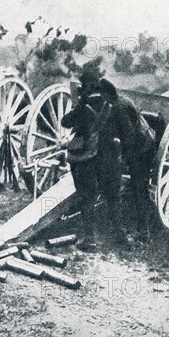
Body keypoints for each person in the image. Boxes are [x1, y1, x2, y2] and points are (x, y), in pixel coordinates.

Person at [61, 70, 134, 250]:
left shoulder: (83, 106)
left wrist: (80, 103)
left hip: (87, 160)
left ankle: (90, 240)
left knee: (87, 198)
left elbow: (65, 122)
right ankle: (120, 237)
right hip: (109, 159)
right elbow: (128, 134)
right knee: (113, 198)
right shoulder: (114, 104)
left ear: (84, 87)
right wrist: (123, 154)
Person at [99, 78, 156, 243]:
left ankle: (144, 232)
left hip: (142, 148)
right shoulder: (119, 100)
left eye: (102, 94)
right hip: (138, 144)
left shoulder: (120, 107)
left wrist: (123, 157)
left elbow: (129, 137)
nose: (102, 98)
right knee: (138, 187)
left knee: (139, 187)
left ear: (107, 94)